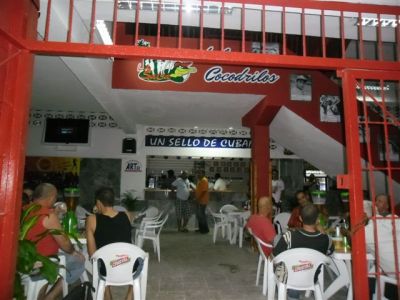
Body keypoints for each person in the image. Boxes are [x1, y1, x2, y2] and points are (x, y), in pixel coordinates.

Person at [26, 183, 85, 300]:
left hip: (25, 259)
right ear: (52, 197)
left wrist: (55, 213)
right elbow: (65, 243)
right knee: (78, 263)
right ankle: (49, 297)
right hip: (44, 260)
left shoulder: (26, 209)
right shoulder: (48, 215)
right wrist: (73, 252)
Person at [273, 204, 334, 300]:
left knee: (288, 267)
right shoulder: (326, 239)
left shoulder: (289, 236)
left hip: (290, 277)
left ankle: (291, 294)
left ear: (300, 218)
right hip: (311, 276)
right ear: (318, 219)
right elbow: (330, 253)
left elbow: (275, 254)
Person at [86, 187, 133, 300]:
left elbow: (92, 253)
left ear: (98, 203)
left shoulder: (92, 219)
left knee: (96, 260)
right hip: (128, 265)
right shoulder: (127, 215)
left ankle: (107, 292)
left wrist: (95, 213)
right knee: (139, 265)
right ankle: (129, 295)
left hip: (107, 268)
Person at [364, 194, 399, 300]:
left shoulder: (394, 220)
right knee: (370, 275)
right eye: (376, 201)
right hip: (389, 270)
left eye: (380, 201)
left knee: (365, 280)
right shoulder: (375, 221)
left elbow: (361, 241)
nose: (376, 203)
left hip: (395, 281)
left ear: (387, 205)